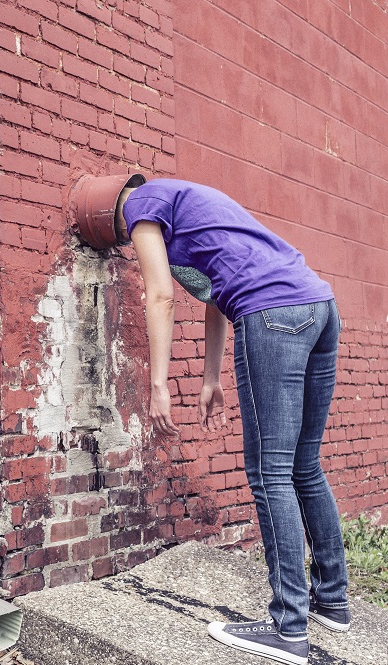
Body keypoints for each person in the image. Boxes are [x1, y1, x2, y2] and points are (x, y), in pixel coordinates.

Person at [117, 178, 352, 665]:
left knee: (271, 473)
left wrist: (158, 384)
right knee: (304, 465)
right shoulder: (200, 208)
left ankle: (288, 628)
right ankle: (333, 600)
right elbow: (214, 293)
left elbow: (161, 295)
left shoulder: (140, 204)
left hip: (272, 314)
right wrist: (210, 377)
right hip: (320, 306)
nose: (132, 239)